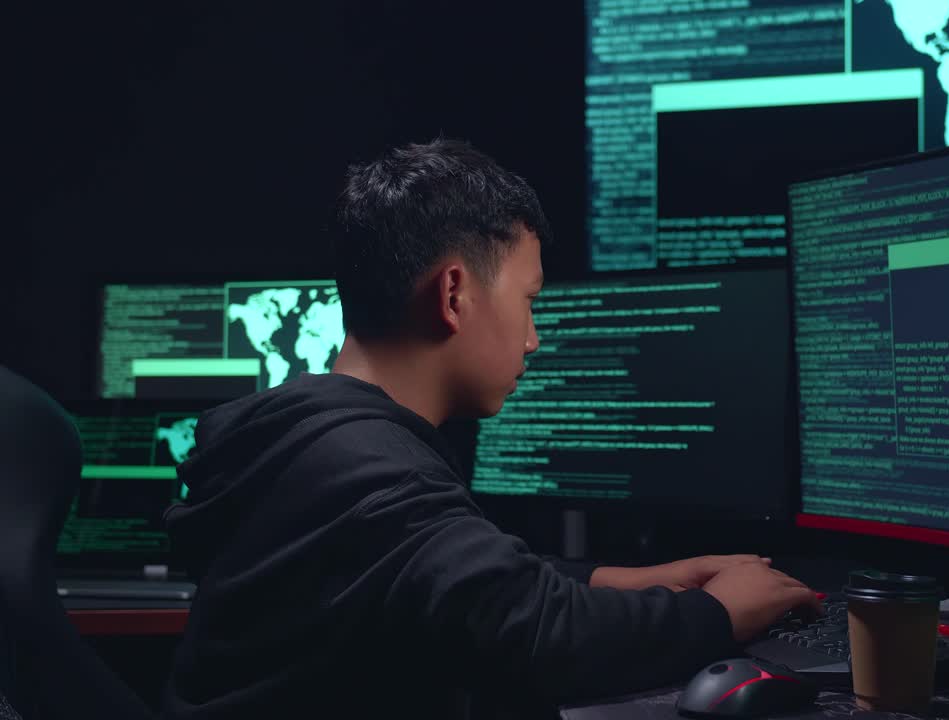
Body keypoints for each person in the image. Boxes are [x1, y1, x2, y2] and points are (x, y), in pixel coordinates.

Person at [161, 139, 821, 719]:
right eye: (529, 301)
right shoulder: (368, 470)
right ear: (453, 295)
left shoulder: (313, 436)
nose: (534, 338)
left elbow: (468, 585)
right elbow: (541, 636)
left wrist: (635, 578)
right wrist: (719, 613)